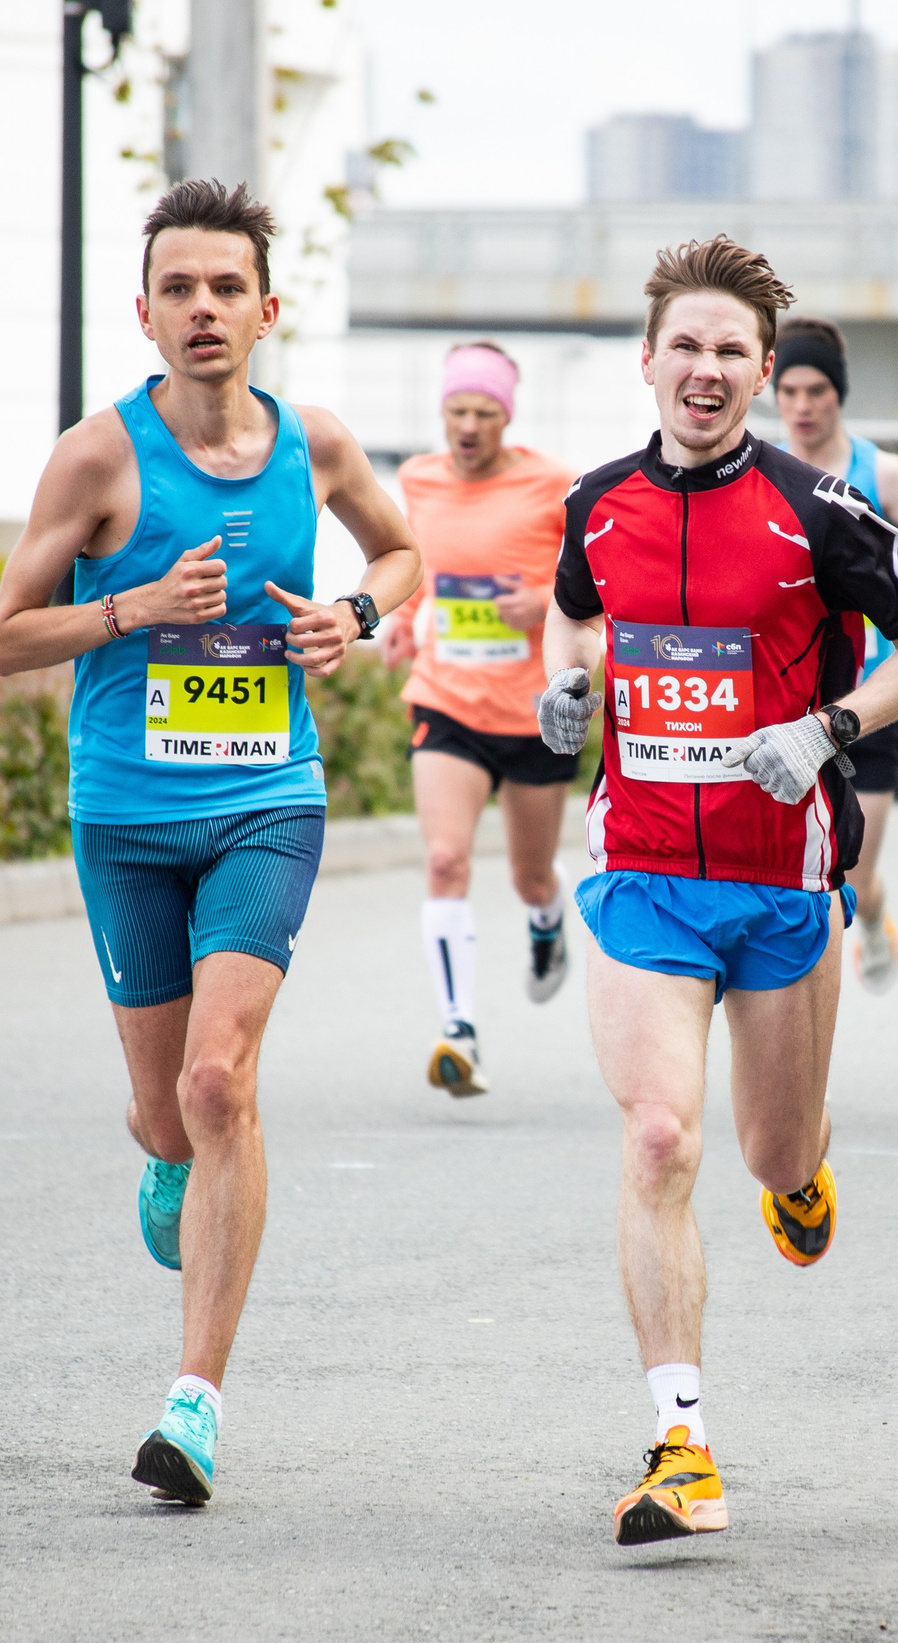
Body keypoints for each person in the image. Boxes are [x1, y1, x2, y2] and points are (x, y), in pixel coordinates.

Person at [0, 180, 420, 1504]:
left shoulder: (318, 445)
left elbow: (407, 557)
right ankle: (169, 1155)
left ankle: (196, 1401)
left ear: (268, 308)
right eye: (179, 287)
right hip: (124, 812)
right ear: (146, 310)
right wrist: (125, 608)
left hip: (264, 798)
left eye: (227, 286)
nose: (204, 309)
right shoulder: (98, 457)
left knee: (223, 1081)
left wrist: (353, 610)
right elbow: (5, 639)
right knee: (163, 1103)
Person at [534, 237, 898, 1546]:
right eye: (687, 346)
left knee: (772, 1150)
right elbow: (571, 611)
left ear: (766, 373)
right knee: (660, 1137)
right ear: (647, 361)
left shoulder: (820, 509)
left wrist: (828, 729)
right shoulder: (597, 503)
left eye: (732, 351)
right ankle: (682, 1442)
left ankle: (803, 1173)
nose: (707, 370)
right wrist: (561, 690)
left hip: (784, 880)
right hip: (643, 868)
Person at [381, 342, 579, 1095]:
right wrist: (406, 617)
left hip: (532, 712)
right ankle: (459, 1030)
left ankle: (545, 917)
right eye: (457, 411)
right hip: (448, 699)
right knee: (445, 860)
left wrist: (546, 603)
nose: (467, 426)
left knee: (529, 874)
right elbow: (419, 568)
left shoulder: (552, 483)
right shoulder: (419, 478)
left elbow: (600, 578)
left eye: (484, 413)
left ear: (507, 418)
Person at [771, 314, 898, 991]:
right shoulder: (763, 472)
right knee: (795, 864)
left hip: (878, 691)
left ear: (839, 393)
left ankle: (871, 913)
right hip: (792, 688)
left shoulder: (882, 472)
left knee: (845, 874)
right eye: (788, 390)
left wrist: (867, 566)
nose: (801, 406)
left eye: (816, 391)